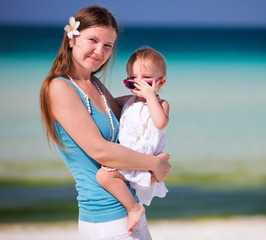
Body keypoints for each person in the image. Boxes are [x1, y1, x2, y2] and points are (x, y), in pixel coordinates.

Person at [39, 5, 171, 240]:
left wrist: (155, 97)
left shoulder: (96, 86)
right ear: (71, 39)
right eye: (93, 40)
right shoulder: (59, 87)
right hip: (105, 218)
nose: (99, 51)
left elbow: (133, 108)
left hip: (132, 211)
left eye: (108, 45)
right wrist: (154, 164)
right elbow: (100, 150)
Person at [97, 47, 170, 235]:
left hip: (143, 162)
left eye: (146, 80)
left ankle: (134, 208)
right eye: (132, 79)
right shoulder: (127, 102)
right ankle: (132, 207)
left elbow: (160, 123)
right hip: (128, 159)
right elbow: (106, 102)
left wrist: (150, 95)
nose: (139, 84)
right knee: (105, 175)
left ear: (160, 82)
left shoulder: (161, 104)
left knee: (104, 176)